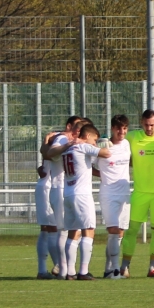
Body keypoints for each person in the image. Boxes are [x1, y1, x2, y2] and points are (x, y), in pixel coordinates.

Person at [123, 109, 154, 277]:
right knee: (131, 230)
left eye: (152, 125)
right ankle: (125, 267)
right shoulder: (133, 137)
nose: (149, 128)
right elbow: (112, 140)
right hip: (140, 192)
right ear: (141, 123)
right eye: (145, 125)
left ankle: (152, 268)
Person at [59, 119, 100, 280]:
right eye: (95, 139)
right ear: (88, 135)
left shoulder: (67, 149)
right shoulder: (83, 146)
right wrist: (102, 146)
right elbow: (105, 153)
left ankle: (70, 272)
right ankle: (83, 271)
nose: (95, 142)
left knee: (73, 232)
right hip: (82, 194)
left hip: (68, 192)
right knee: (88, 230)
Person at [35, 118, 75, 278]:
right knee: (53, 229)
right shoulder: (60, 139)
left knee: (47, 230)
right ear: (69, 126)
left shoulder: (58, 139)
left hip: (47, 185)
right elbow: (47, 153)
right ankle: (58, 266)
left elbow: (44, 154)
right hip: (49, 186)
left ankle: (43, 269)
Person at [97, 115, 136, 277]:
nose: (122, 131)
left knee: (119, 233)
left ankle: (108, 269)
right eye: (119, 128)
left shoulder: (127, 144)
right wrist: (104, 175)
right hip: (109, 193)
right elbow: (89, 165)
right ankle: (114, 269)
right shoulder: (103, 145)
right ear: (113, 128)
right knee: (113, 230)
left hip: (125, 192)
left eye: (125, 128)